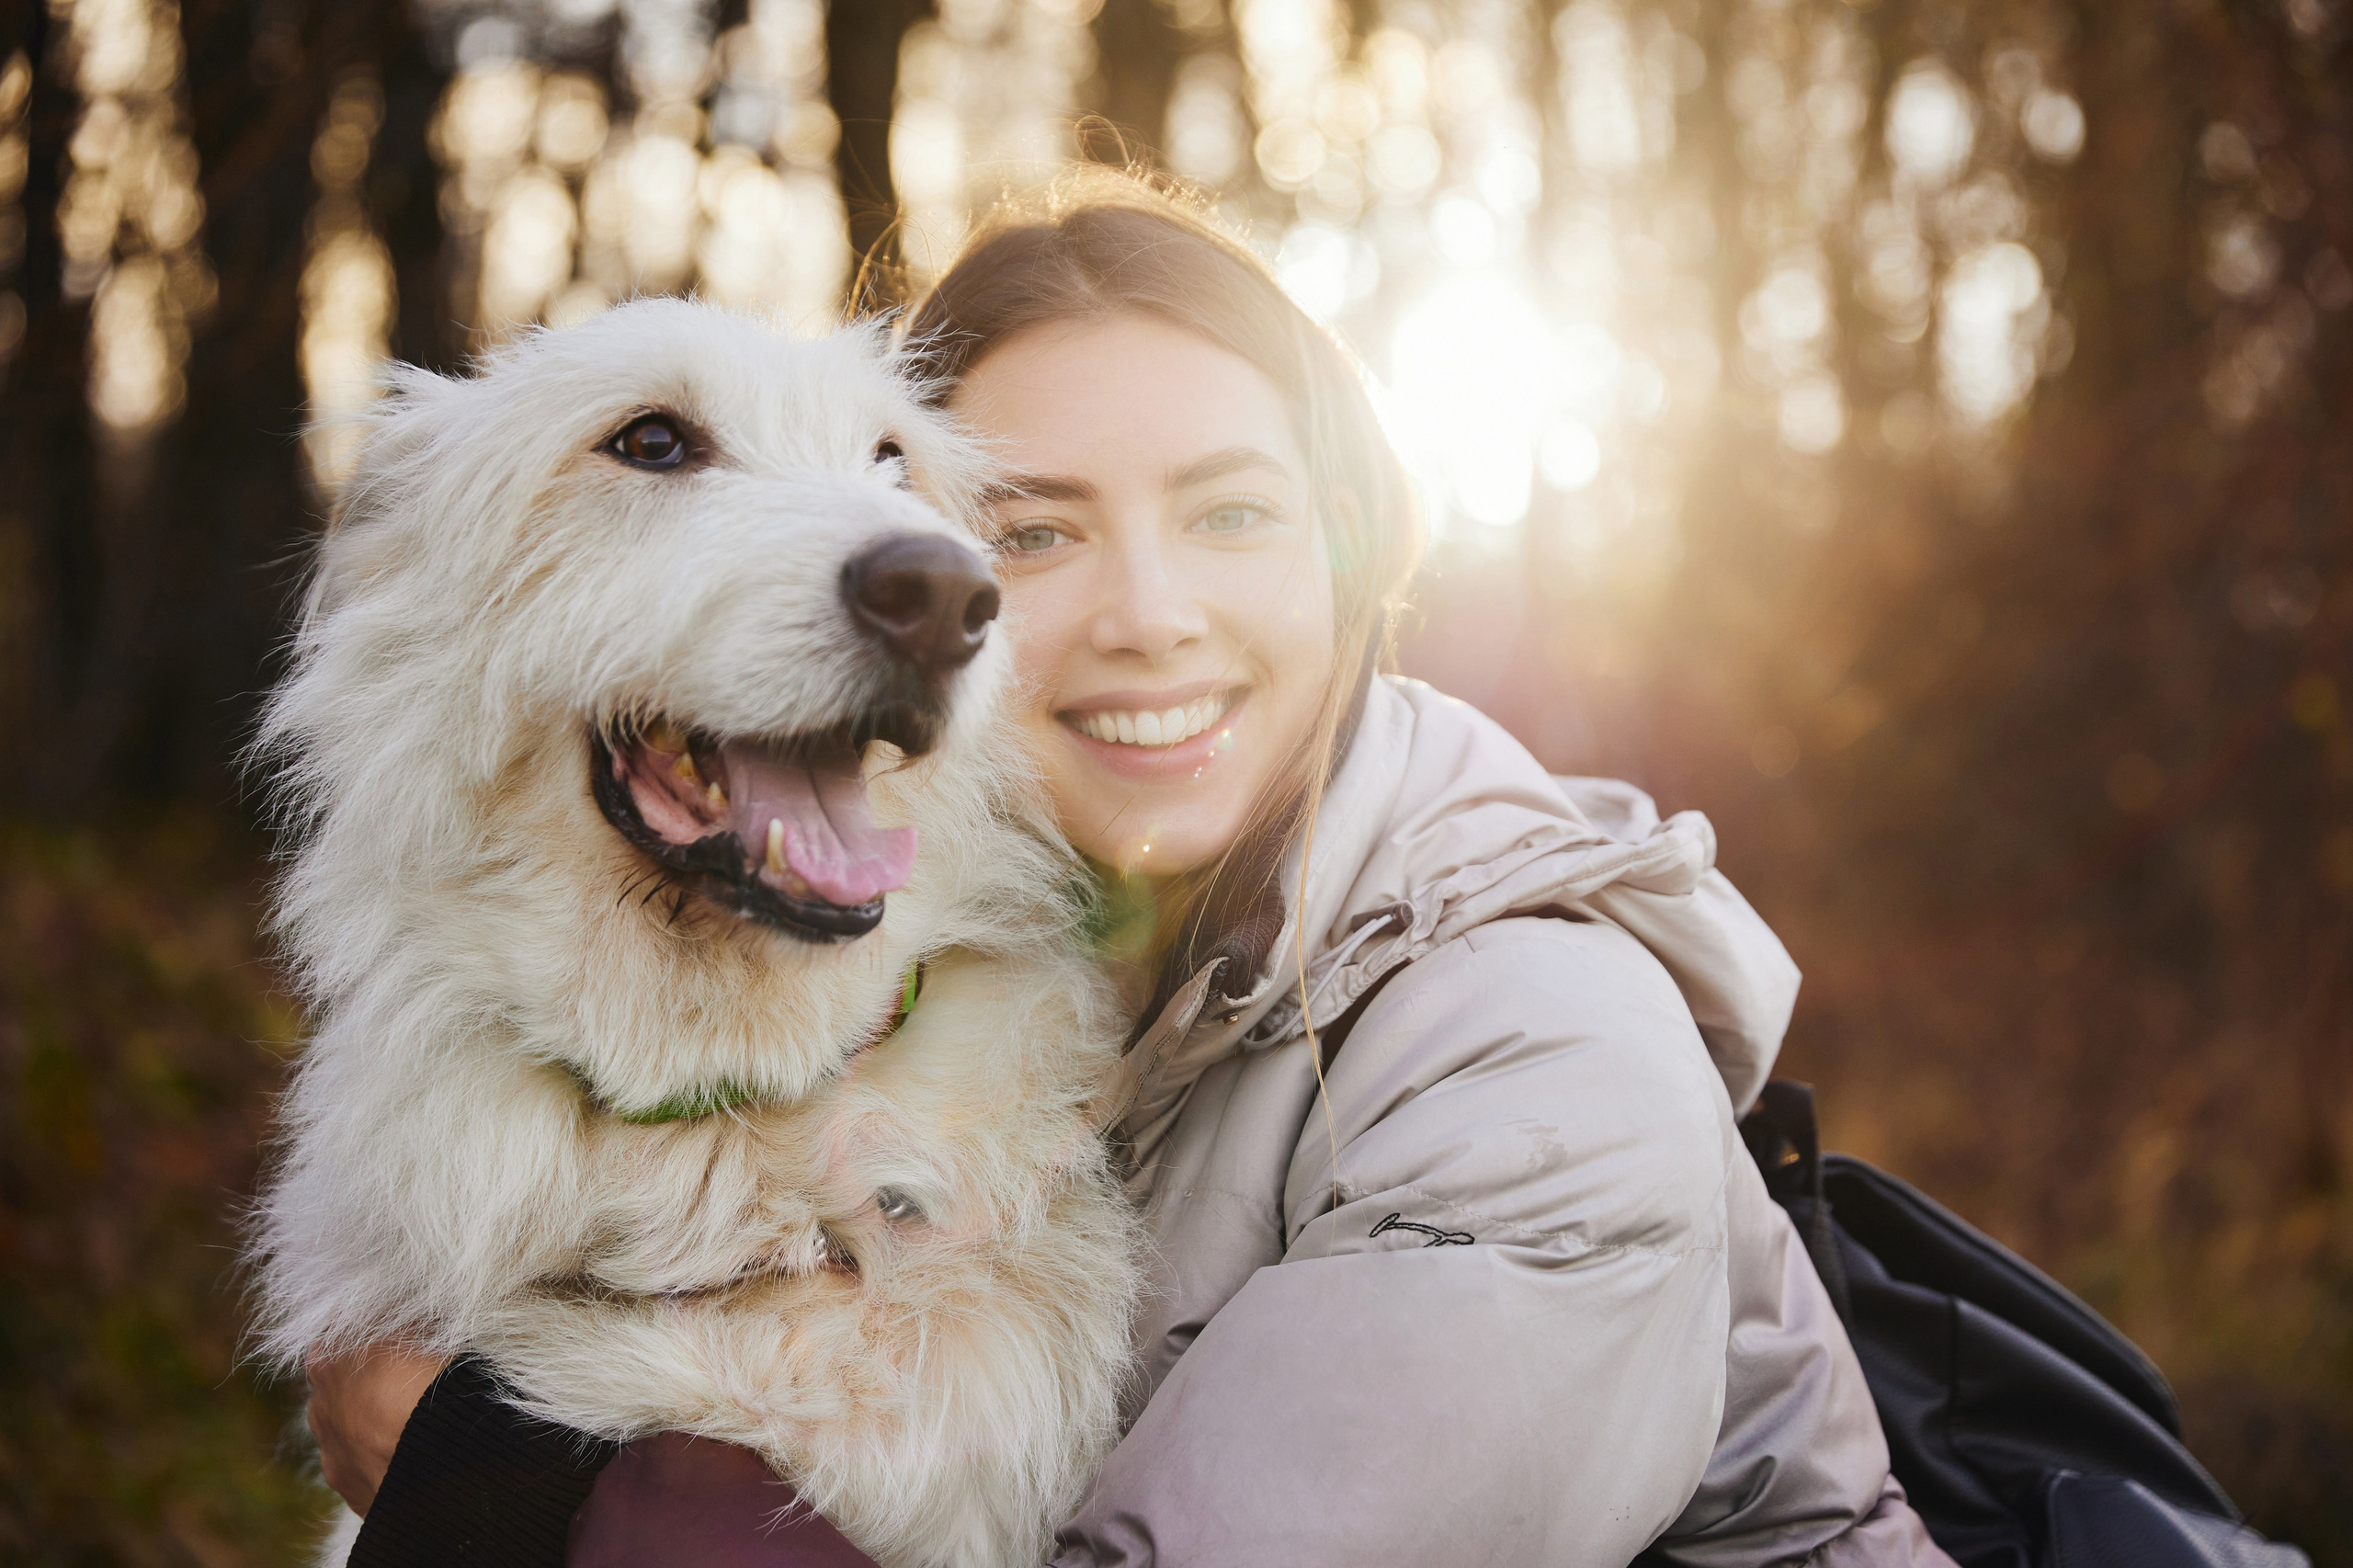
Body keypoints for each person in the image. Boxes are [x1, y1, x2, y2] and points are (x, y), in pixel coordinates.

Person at [307, 172, 1955, 1568]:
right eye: (1025, 532)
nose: (1150, 612)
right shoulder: (1088, 947)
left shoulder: (1540, 1061)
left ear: (1354, 553)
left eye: (1233, 514)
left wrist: (517, 1494)